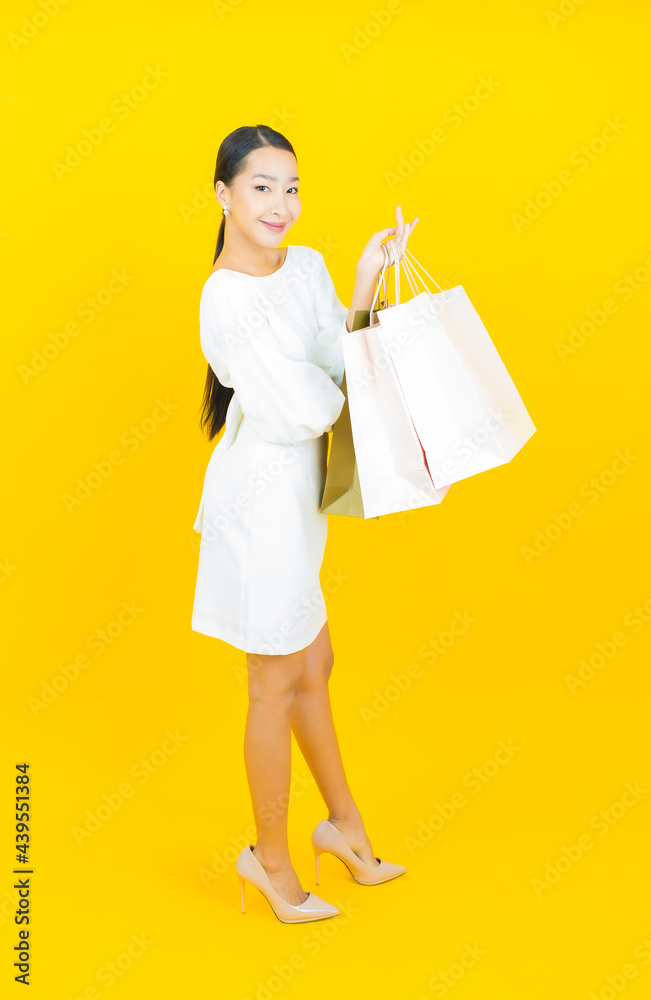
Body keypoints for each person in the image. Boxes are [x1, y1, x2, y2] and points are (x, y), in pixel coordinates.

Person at [191, 124, 419, 924]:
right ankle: (271, 860)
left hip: (299, 501)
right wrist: (352, 386)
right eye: (260, 187)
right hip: (258, 506)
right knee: (274, 681)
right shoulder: (223, 298)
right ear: (222, 195)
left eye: (290, 187)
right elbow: (296, 408)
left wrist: (364, 279)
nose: (279, 205)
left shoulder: (310, 264)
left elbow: (331, 353)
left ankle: (345, 828)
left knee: (315, 662)